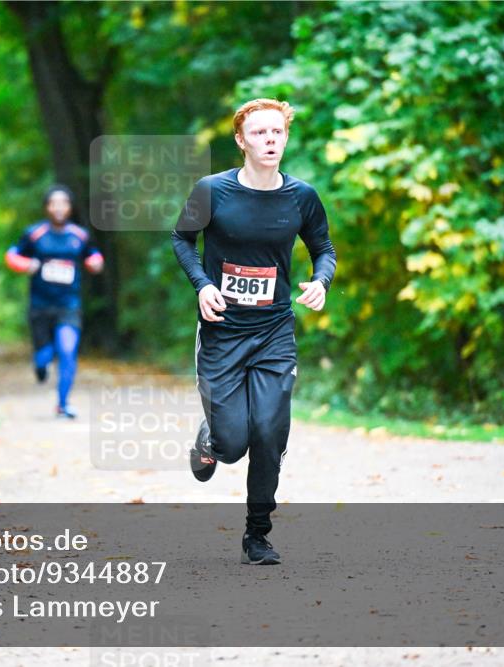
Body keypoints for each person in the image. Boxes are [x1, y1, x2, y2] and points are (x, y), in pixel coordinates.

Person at [171, 98, 337, 565]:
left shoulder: (301, 196)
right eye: (260, 133)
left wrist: (321, 281)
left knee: (269, 431)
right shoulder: (212, 191)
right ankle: (212, 438)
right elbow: (181, 238)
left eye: (277, 133)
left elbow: (323, 247)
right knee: (233, 443)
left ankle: (257, 533)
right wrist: (202, 285)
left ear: (285, 138)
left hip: (273, 331)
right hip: (222, 331)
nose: (270, 140)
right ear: (241, 141)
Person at [5, 185, 104, 419]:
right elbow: (12, 254)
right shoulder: (34, 234)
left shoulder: (79, 235)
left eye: (64, 203)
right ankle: (41, 364)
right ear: (47, 207)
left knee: (68, 350)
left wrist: (95, 263)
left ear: (70, 207)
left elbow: (94, 255)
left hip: (68, 305)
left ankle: (62, 403)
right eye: (54, 203)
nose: (59, 208)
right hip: (40, 304)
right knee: (44, 356)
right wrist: (24, 264)